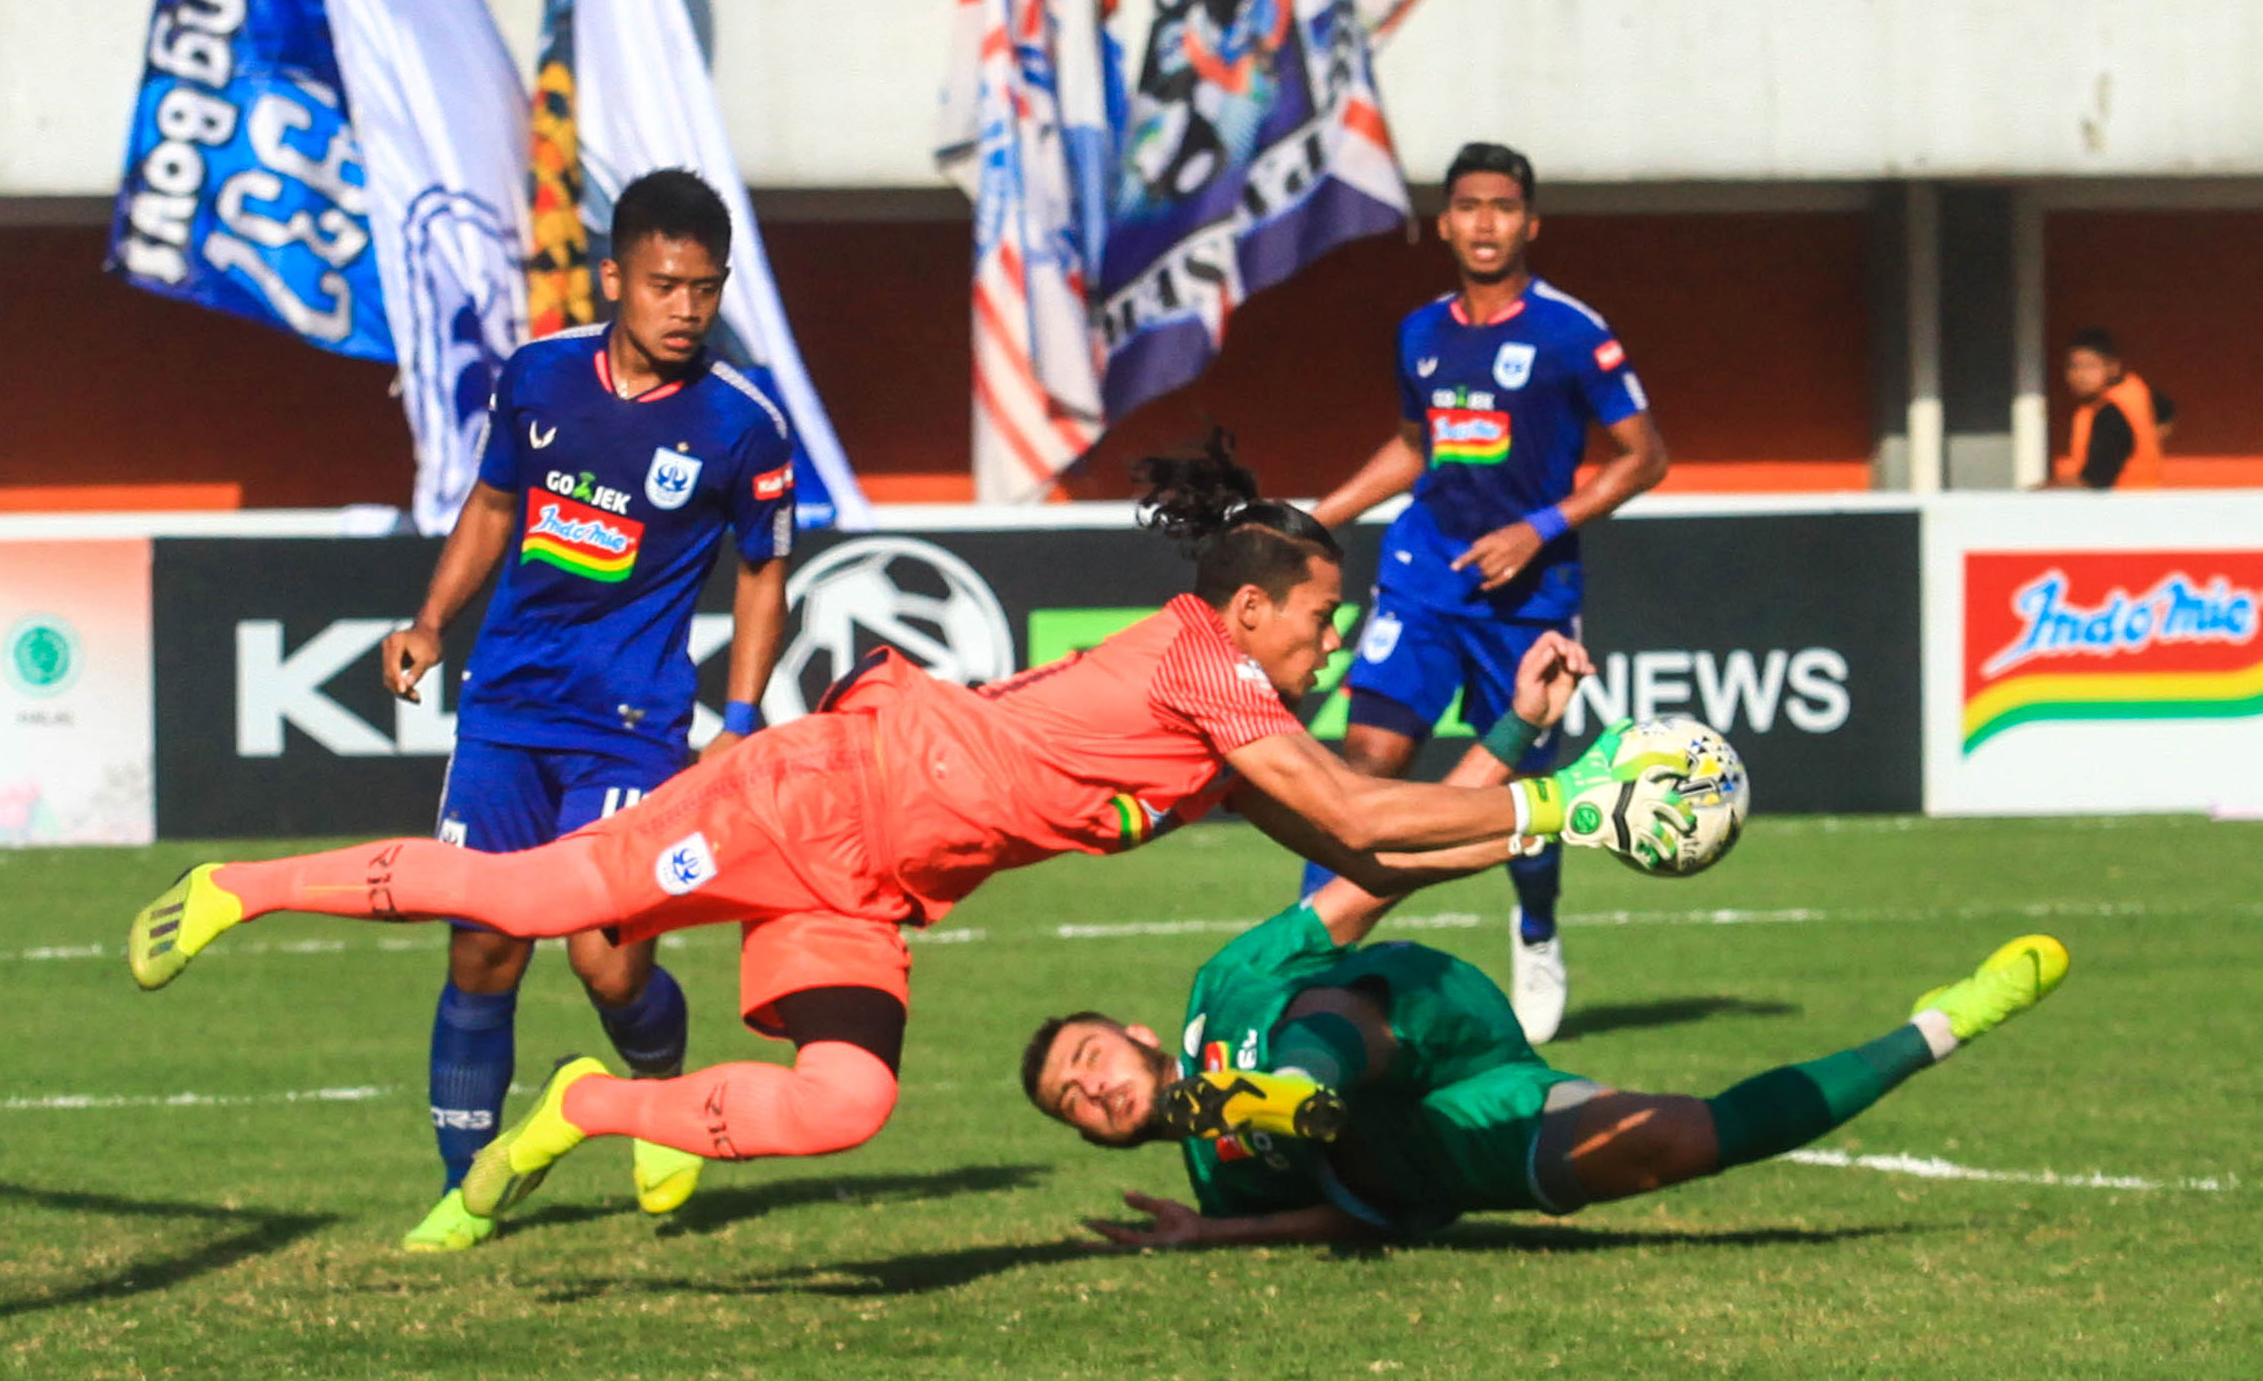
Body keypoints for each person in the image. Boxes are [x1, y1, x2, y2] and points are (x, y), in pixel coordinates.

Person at [126, 434, 1714, 1215]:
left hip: (871, 889)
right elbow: (1361, 805)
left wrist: (1533, 774)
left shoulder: (1229, 729)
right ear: (1247, 609)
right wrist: (1562, 799)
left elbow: (1363, 848)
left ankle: (592, 1106)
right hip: (808, 792)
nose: (1333, 636)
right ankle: (238, 885)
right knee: (535, 898)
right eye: (1321, 614)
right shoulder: (1201, 662)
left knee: (848, 1100)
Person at [371, 167, 796, 1252]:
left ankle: (664, 1099)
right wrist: (430, 621)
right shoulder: (539, 376)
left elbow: (763, 575)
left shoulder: (743, 424)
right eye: (664, 285)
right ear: (615, 278)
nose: (686, 309)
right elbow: (493, 503)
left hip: (632, 724)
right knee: (482, 949)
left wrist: (740, 720)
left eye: (706, 288)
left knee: (606, 959)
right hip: (507, 707)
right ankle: (466, 1191)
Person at [1026, 887, 2070, 1250]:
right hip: (1464, 1137)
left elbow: (1368, 877)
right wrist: (1211, 1231)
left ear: (1137, 1033)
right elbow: (1341, 1217)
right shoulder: (1217, 1178)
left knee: (1320, 1009)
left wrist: (1523, 751)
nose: (1093, 1087)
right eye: (1074, 1101)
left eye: (1088, 1056)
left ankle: (1298, 1084)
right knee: (1682, 1139)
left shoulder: (1222, 982)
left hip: (1422, 1015)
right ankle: (1941, 1023)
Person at [1305, 142, 1668, 1047]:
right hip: (1425, 574)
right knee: (1364, 762)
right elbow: (1415, 448)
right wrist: (1318, 517)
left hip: (1528, 597)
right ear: (1445, 223)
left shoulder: (1571, 332)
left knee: (1521, 793)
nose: (1485, 223)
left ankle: (1536, 930)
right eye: (1468, 205)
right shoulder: (1420, 332)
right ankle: (1310, 965)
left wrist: (1539, 528)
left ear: (1529, 223)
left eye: (1503, 207)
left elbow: (1644, 457)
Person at [2049, 326, 2169, 490]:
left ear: (2113, 368)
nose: (2080, 375)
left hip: (2123, 501)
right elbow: (2166, 413)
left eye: (2090, 366)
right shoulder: (2135, 390)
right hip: (2148, 497)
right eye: (2073, 366)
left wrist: (2037, 493)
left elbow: (2095, 480)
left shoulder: (2110, 413)